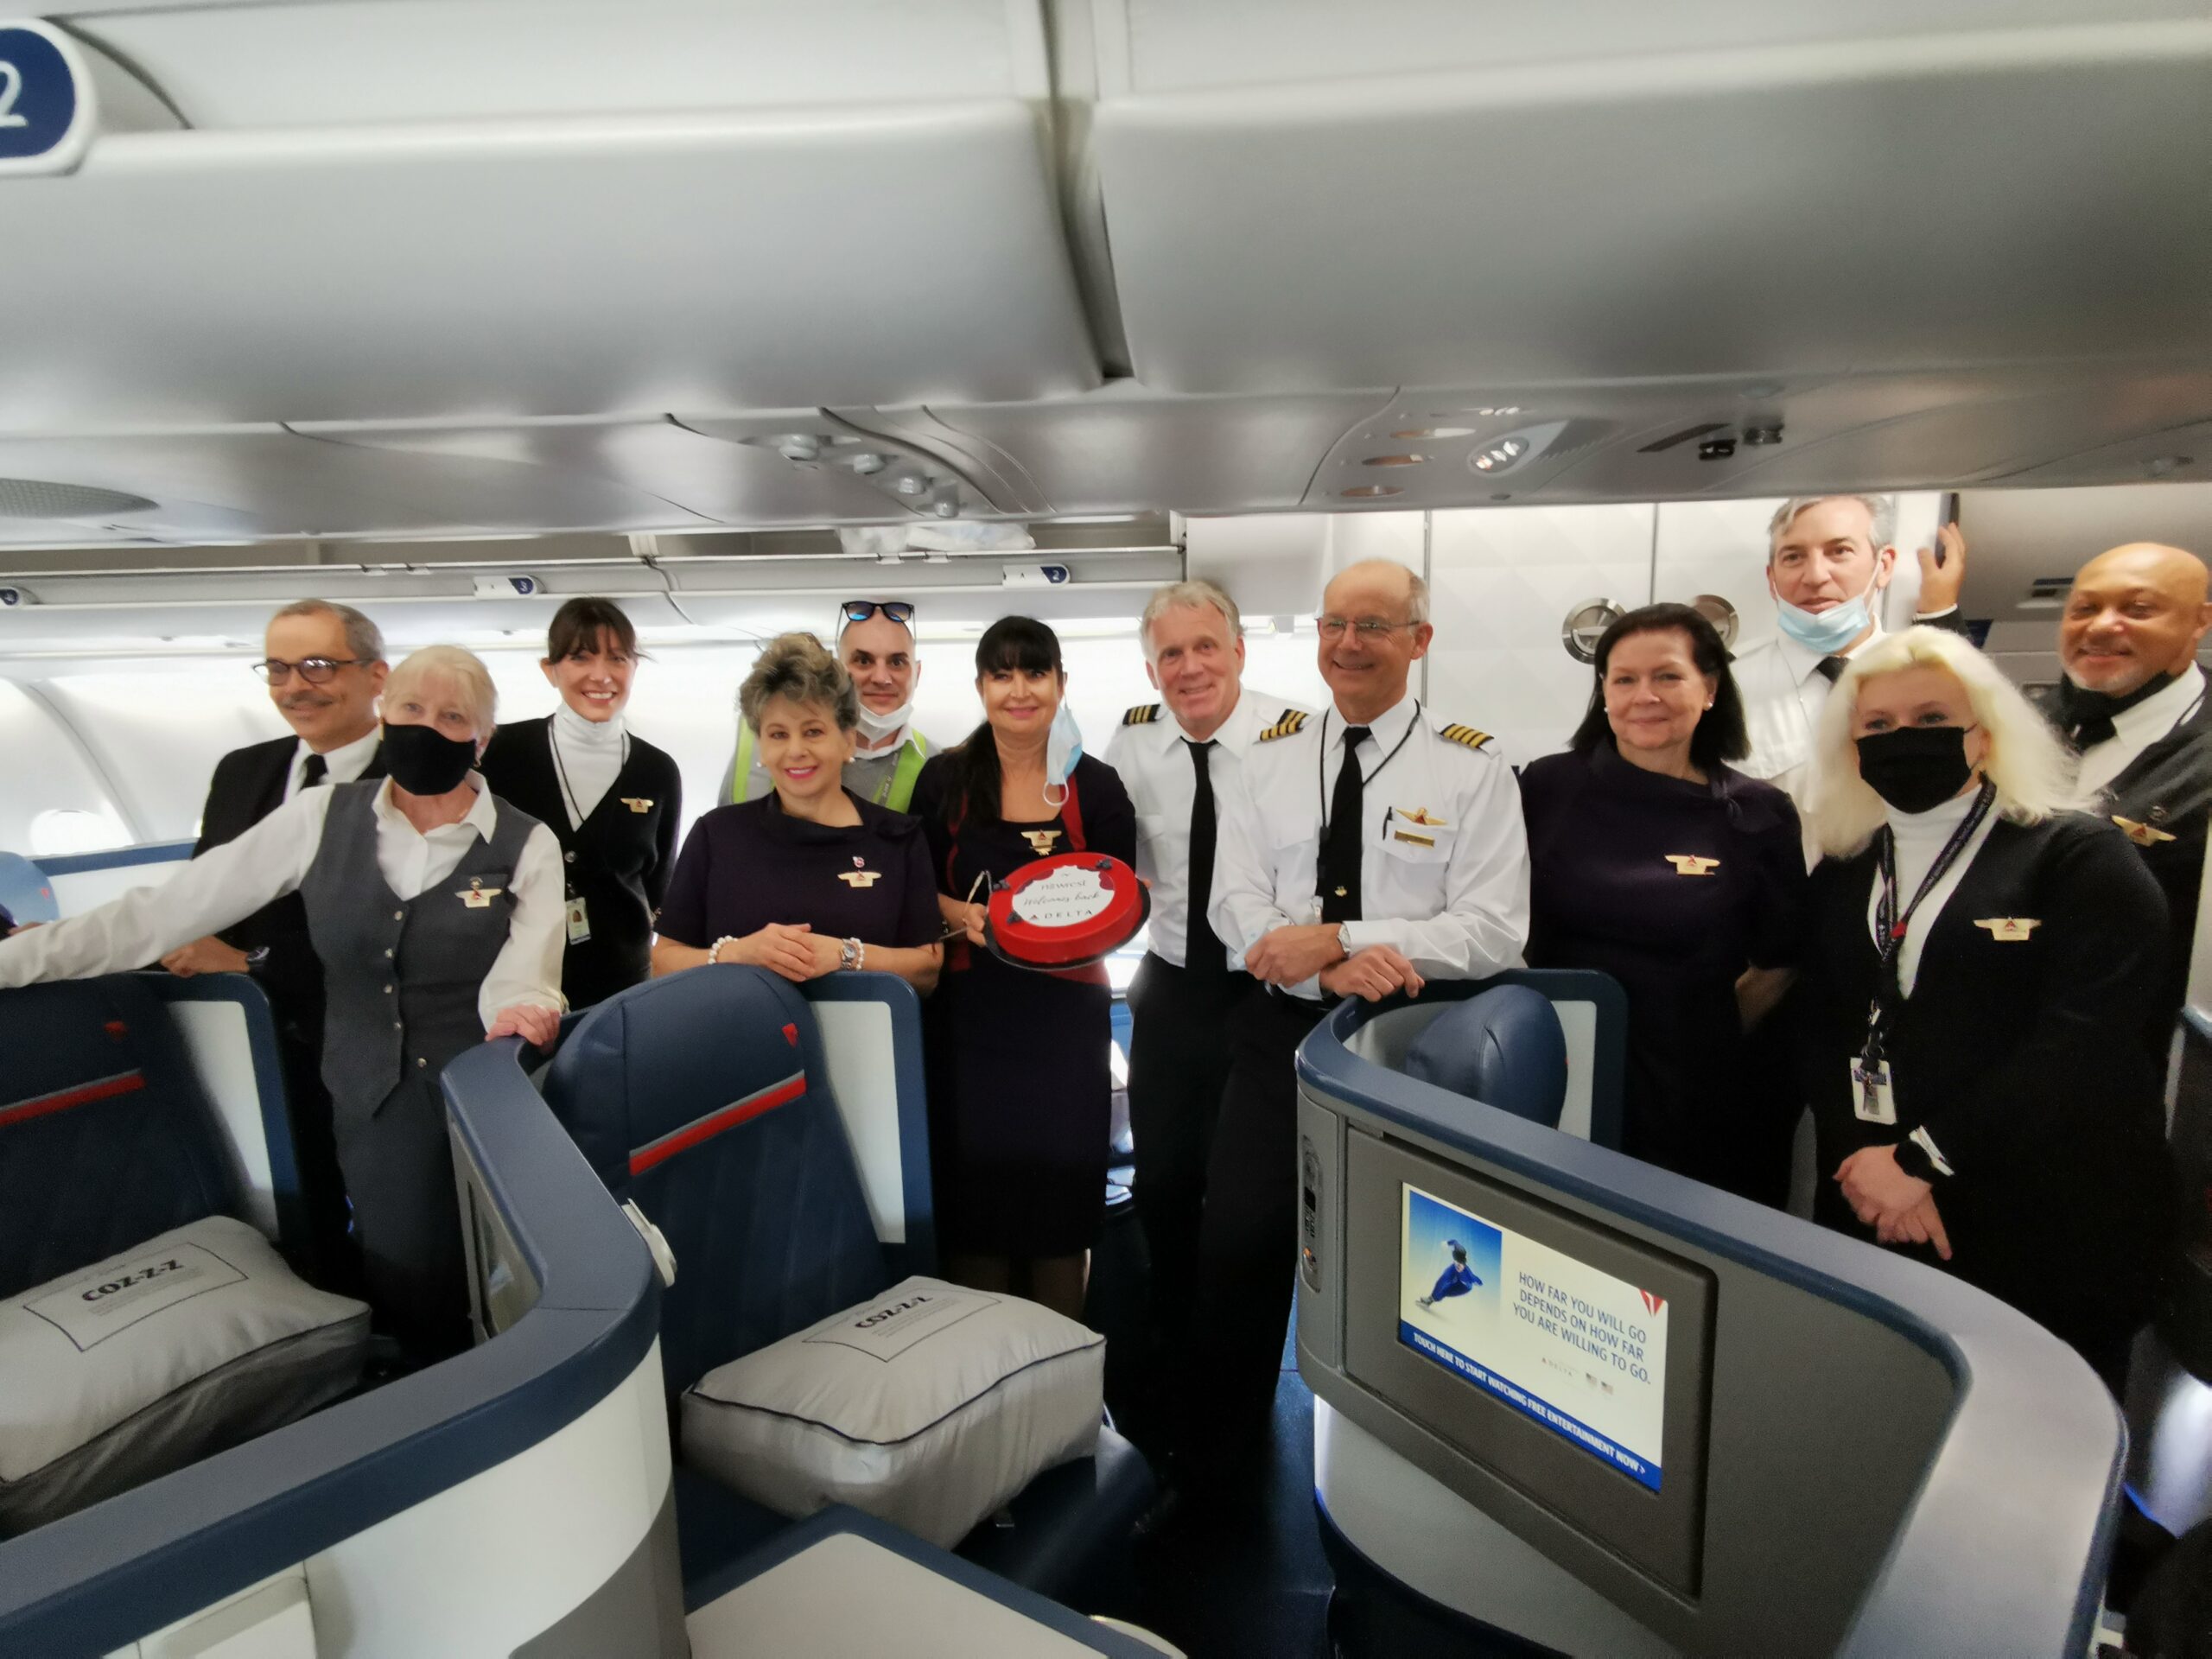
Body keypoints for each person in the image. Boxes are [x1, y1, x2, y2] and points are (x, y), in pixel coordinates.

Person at [0, 645, 564, 1363]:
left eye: (453, 717)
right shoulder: (321, 817)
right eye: (412, 709)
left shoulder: (526, 842)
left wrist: (525, 1010)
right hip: (371, 1095)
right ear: (384, 717)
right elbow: (168, 912)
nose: (428, 727)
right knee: (408, 1273)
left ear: (482, 739)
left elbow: (529, 971)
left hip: (488, 1093)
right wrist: (16, 961)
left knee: (509, 1273)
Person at [1198, 558, 1529, 1485]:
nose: (1349, 644)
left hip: (1411, 1049)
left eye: (1374, 625)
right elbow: (1234, 905)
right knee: (1238, 1246)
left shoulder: (1471, 767)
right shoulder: (1265, 759)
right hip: (1280, 1040)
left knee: (1410, 1267)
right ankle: (1219, 1471)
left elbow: (1495, 929)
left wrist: (1347, 936)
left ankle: (1416, 1474)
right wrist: (1321, 961)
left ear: (1419, 640)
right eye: (1334, 624)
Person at [1795, 625, 2176, 1391]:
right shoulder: (1847, 864)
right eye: (1878, 725)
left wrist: (1920, 1162)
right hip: (1880, 1198)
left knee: (2041, 1422)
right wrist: (1871, 1168)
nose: (1905, 740)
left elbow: (2083, 1044)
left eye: (1932, 719)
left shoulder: (2078, 856)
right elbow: (1822, 1023)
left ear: (1986, 731)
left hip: (2044, 1207)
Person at [1102, 579, 1311, 1420]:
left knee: (1247, 1210)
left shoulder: (1299, 739)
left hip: (1267, 996)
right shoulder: (1132, 741)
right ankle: (1171, 1365)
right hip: (1170, 990)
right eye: (1170, 654)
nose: (1189, 668)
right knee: (1163, 1185)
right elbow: (1110, 862)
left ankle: (1240, 1396)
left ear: (1239, 652)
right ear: (1150, 669)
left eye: (1204, 648)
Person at [1518, 603, 1806, 1201]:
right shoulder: (1544, 788)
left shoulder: (1758, 813)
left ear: (1710, 689)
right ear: (1603, 693)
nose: (1644, 696)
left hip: (1696, 1094)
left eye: (1668, 676)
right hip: (1558, 1068)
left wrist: (1700, 1031)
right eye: (1624, 679)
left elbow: (1779, 962)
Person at [910, 616, 1137, 1322]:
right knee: (976, 1208)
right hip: (969, 1018)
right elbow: (914, 889)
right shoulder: (945, 779)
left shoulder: (1095, 786)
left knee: (1060, 1210)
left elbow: (1122, 894)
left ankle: (1064, 1365)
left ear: (1061, 684)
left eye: (1035, 672)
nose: (1019, 690)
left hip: (1064, 1022)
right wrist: (960, 911)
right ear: (980, 686)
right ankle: (986, 1370)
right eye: (1002, 674)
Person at [166, 599, 390, 1290]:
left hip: (372, 1038)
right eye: (278, 668)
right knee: (295, 1215)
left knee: (392, 1224)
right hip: (257, 1040)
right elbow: (206, 889)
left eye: (318, 665)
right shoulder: (244, 770)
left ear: (376, 675)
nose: (296, 686)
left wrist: (249, 962)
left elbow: (401, 922)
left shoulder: (416, 776)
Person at [652, 633, 941, 993]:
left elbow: (927, 971)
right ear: (761, 746)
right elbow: (663, 962)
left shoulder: (898, 839)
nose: (795, 750)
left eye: (813, 731)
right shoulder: (716, 835)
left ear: (847, 740)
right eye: (778, 734)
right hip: (736, 1026)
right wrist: (738, 953)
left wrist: (846, 954)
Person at [2044, 543, 2212, 1051]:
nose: (2100, 626)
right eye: (2085, 608)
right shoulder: (2019, 722)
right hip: (2006, 1040)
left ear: (2200, 621)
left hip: (2143, 1050)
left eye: (2138, 609)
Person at [480, 598, 682, 1009]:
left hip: (621, 984)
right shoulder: (500, 754)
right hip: (517, 984)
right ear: (550, 669)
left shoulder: (657, 771)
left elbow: (658, 886)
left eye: (617, 658)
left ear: (634, 668)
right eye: (581, 657)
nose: (601, 675)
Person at [1734, 494, 1968, 797]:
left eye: (1839, 551)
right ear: (1772, 579)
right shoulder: (1728, 686)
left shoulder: (1925, 674)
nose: (1815, 576)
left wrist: (1940, 616)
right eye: (1793, 557)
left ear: (1883, 566)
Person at [722, 599, 939, 812]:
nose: (881, 678)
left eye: (897, 662)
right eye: (863, 661)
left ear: (917, 673)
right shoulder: (754, 739)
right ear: (838, 669)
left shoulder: (936, 764)